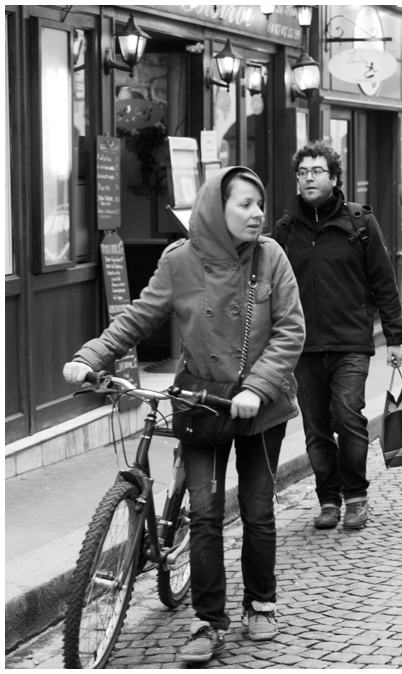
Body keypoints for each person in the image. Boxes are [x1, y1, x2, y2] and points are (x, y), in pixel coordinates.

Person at [63, 167, 305, 662]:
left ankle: (261, 603)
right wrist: (91, 357)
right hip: (201, 404)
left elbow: (290, 331)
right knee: (207, 515)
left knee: (258, 512)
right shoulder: (180, 261)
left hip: (262, 409)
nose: (257, 212)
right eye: (245, 204)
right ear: (218, 208)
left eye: (260, 203)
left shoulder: (272, 257)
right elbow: (138, 316)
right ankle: (208, 622)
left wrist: (257, 387)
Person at [275, 141, 402, 530]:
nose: (309, 177)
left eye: (317, 171)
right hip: (303, 345)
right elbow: (268, 288)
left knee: (347, 417)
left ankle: (357, 496)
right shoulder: (285, 229)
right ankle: (328, 500)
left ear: (334, 177)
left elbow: (383, 281)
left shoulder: (360, 223)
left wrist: (394, 337)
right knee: (315, 427)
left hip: (350, 342)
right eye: (302, 172)